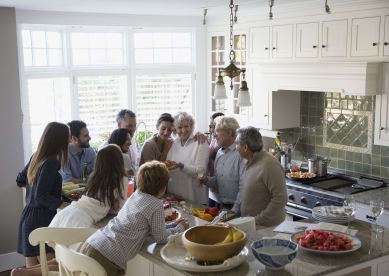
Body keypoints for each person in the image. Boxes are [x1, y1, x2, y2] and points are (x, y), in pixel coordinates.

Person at [11, 144, 128, 276]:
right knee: (73, 263)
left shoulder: (94, 175)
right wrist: (114, 204)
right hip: (80, 220)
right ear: (119, 160)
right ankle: (26, 273)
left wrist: (110, 201)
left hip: (68, 213)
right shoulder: (121, 177)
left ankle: (25, 272)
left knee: (61, 258)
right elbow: (121, 210)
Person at [78, 161, 189, 276]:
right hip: (106, 257)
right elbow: (160, 238)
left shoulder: (135, 195)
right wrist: (180, 228)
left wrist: (172, 225)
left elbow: (149, 227)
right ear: (163, 187)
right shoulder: (156, 204)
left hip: (93, 244)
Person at [15, 122, 71, 268]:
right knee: (51, 267)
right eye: (68, 137)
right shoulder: (51, 161)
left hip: (28, 216)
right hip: (41, 219)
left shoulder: (37, 157)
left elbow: (20, 179)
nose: (70, 140)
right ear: (60, 139)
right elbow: (41, 196)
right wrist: (63, 205)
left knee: (31, 270)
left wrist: (35, 186)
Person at [233, 126, 288, 227]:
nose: (235, 146)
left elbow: (281, 198)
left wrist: (257, 220)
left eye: (236, 143)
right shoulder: (251, 161)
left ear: (245, 147)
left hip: (267, 229)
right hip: (253, 225)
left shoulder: (269, 165)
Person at [198, 116, 245, 213]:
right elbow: (218, 180)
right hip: (223, 207)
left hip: (239, 209)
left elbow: (244, 186)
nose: (214, 135)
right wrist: (206, 180)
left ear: (229, 132)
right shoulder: (219, 153)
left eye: (217, 131)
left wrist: (235, 210)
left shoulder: (241, 154)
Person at [167, 111, 209, 204]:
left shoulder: (200, 142)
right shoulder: (172, 144)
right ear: (175, 129)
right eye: (179, 127)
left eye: (186, 126)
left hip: (194, 197)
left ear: (191, 126)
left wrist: (182, 166)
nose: (183, 130)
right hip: (174, 197)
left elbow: (200, 172)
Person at [98, 109, 138, 175]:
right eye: (130, 126)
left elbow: (134, 166)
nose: (133, 129)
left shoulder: (132, 141)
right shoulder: (104, 148)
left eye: (135, 125)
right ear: (119, 125)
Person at [207, 112, 224, 208]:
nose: (212, 130)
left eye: (215, 127)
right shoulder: (214, 140)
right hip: (212, 187)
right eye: (210, 126)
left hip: (220, 190)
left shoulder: (222, 143)